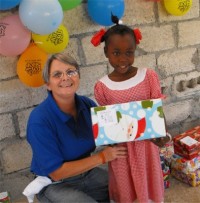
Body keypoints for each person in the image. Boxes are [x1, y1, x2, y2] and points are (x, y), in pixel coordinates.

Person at [26, 53, 127, 203]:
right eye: (57, 74)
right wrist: (102, 157)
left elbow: (111, 135)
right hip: (55, 184)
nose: (65, 78)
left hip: (88, 173)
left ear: (78, 75)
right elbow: (56, 173)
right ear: (48, 84)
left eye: (70, 72)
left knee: (126, 190)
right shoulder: (39, 120)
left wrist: (142, 128)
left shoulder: (87, 104)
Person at [91, 15, 171, 203]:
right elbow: (107, 123)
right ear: (106, 52)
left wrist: (163, 135)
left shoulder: (148, 76)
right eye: (116, 53)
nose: (123, 59)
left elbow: (157, 112)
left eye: (129, 52)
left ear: (135, 50)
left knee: (148, 188)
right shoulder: (102, 87)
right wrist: (107, 142)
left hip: (147, 147)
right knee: (125, 188)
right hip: (122, 151)